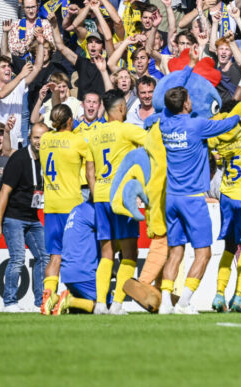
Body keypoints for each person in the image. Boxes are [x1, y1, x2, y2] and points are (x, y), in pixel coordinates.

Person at [158, 85, 241, 314]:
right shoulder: (196, 125)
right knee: (203, 252)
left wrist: (189, 69)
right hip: (192, 198)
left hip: (172, 198)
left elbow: (169, 102)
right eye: (189, 98)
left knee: (175, 251)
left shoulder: (165, 123)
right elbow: (226, 124)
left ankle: (166, 302)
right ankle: (184, 302)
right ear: (185, 103)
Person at [84, 90, 150, 315]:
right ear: (122, 108)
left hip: (101, 196)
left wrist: (96, 193)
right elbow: (153, 144)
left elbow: (90, 170)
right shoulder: (128, 129)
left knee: (106, 253)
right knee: (130, 253)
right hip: (121, 197)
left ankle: (101, 303)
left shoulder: (94, 133)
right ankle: (118, 304)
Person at [39, 104, 94, 314]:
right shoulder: (77, 141)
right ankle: (71, 299)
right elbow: (91, 168)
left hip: (51, 205)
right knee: (74, 257)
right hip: (71, 206)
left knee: (54, 256)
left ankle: (48, 298)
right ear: (70, 120)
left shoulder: (44, 140)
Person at [0, 122, 47, 312]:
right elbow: (5, 191)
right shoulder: (19, 159)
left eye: (43, 137)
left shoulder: (48, 158)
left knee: (44, 256)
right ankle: (10, 302)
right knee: (18, 258)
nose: (40, 141)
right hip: (13, 215)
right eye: (36, 137)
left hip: (32, 216)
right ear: (30, 138)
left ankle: (40, 303)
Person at [208, 101, 241, 313]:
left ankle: (219, 295)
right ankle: (238, 296)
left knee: (229, 247)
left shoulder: (221, 139)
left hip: (226, 194)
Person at [53, 198, 101, 314]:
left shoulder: (78, 209)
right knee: (109, 306)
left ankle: (63, 302)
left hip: (68, 274)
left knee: (86, 309)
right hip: (83, 273)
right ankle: (68, 301)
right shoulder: (95, 211)